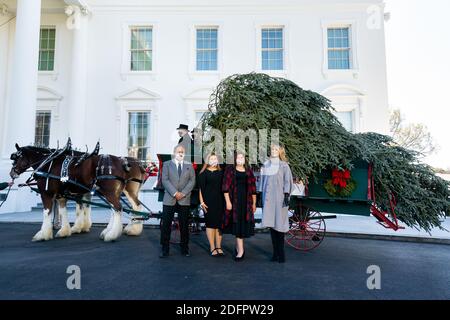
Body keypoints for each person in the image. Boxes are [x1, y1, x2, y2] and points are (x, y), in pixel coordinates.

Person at [258, 144, 293, 263]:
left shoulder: (284, 166)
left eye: (276, 149)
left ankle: (281, 254)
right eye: (272, 149)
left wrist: (287, 195)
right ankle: (275, 253)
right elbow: (262, 180)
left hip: (280, 199)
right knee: (272, 226)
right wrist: (259, 194)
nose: (273, 151)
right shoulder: (266, 165)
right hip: (268, 199)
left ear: (280, 152)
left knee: (280, 226)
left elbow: (288, 180)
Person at [160, 145, 196, 258]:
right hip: (169, 198)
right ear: (174, 152)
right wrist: (175, 193)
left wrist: (183, 193)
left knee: (184, 225)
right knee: (166, 225)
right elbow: (164, 180)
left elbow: (192, 181)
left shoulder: (189, 166)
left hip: (184, 199)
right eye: (178, 151)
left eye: (182, 152)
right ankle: (165, 249)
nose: (180, 153)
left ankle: (185, 249)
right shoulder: (167, 164)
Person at [222, 151, 257, 261]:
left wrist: (254, 203)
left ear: (244, 159)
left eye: (242, 157)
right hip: (234, 201)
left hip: (246, 202)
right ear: (235, 159)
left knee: (242, 224)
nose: (240, 159)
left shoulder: (248, 171)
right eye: (238, 158)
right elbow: (225, 187)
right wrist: (228, 202)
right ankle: (241, 251)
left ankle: (238, 247)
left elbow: (253, 188)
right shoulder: (230, 170)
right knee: (237, 225)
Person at [198, 153, 225, 257]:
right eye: (211, 158)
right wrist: (202, 202)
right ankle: (212, 247)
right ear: (208, 160)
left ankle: (219, 247)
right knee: (210, 224)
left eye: (215, 158)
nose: (213, 160)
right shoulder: (203, 173)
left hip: (220, 201)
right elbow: (201, 189)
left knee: (219, 225)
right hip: (208, 202)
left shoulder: (221, 172)